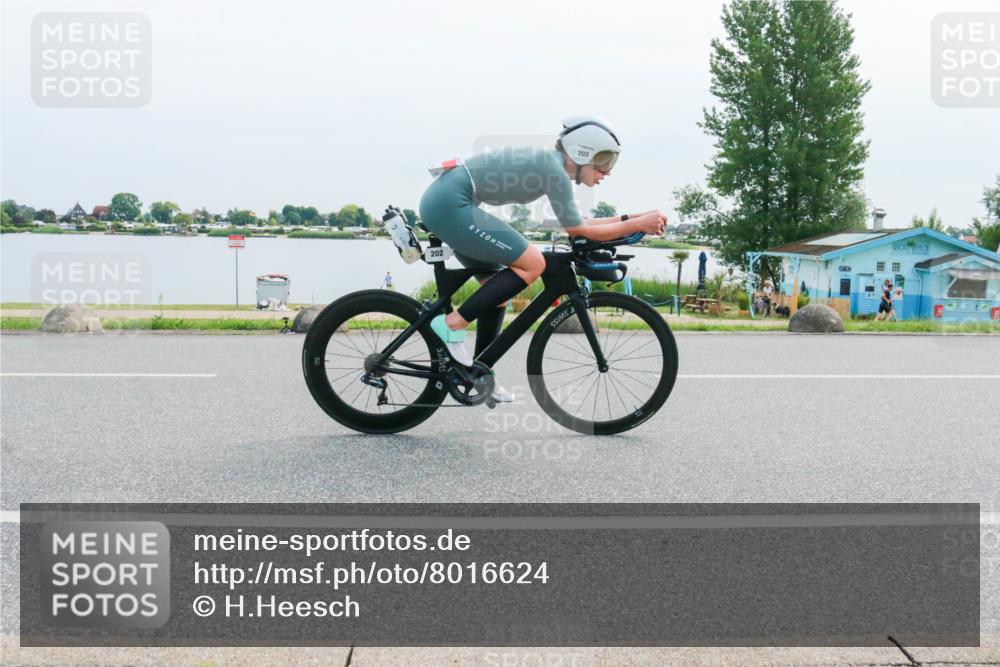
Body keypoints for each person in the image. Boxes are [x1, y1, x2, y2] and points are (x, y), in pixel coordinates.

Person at [419, 117, 666, 403]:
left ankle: (480, 373)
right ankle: (452, 324)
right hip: (450, 203)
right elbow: (578, 231)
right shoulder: (554, 170)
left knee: (497, 290)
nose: (607, 172)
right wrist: (638, 225)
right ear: (582, 152)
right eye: (605, 160)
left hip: (449, 201)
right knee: (534, 263)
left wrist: (633, 218)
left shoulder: (552, 166)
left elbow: (579, 222)